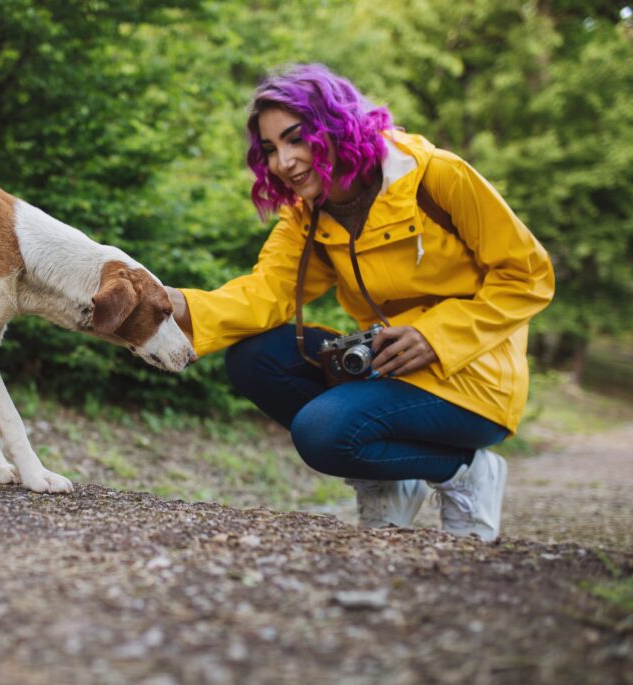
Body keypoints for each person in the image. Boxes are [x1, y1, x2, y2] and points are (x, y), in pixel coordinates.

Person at [166, 64, 554, 541]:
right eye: (270, 150)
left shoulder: (437, 177)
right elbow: (265, 293)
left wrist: (436, 336)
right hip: (389, 368)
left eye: (296, 139)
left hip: (472, 377)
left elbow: (530, 275)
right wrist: (170, 303)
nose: (284, 162)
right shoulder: (307, 215)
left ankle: (466, 470)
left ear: (335, 125)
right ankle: (392, 480)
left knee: (323, 434)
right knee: (254, 357)